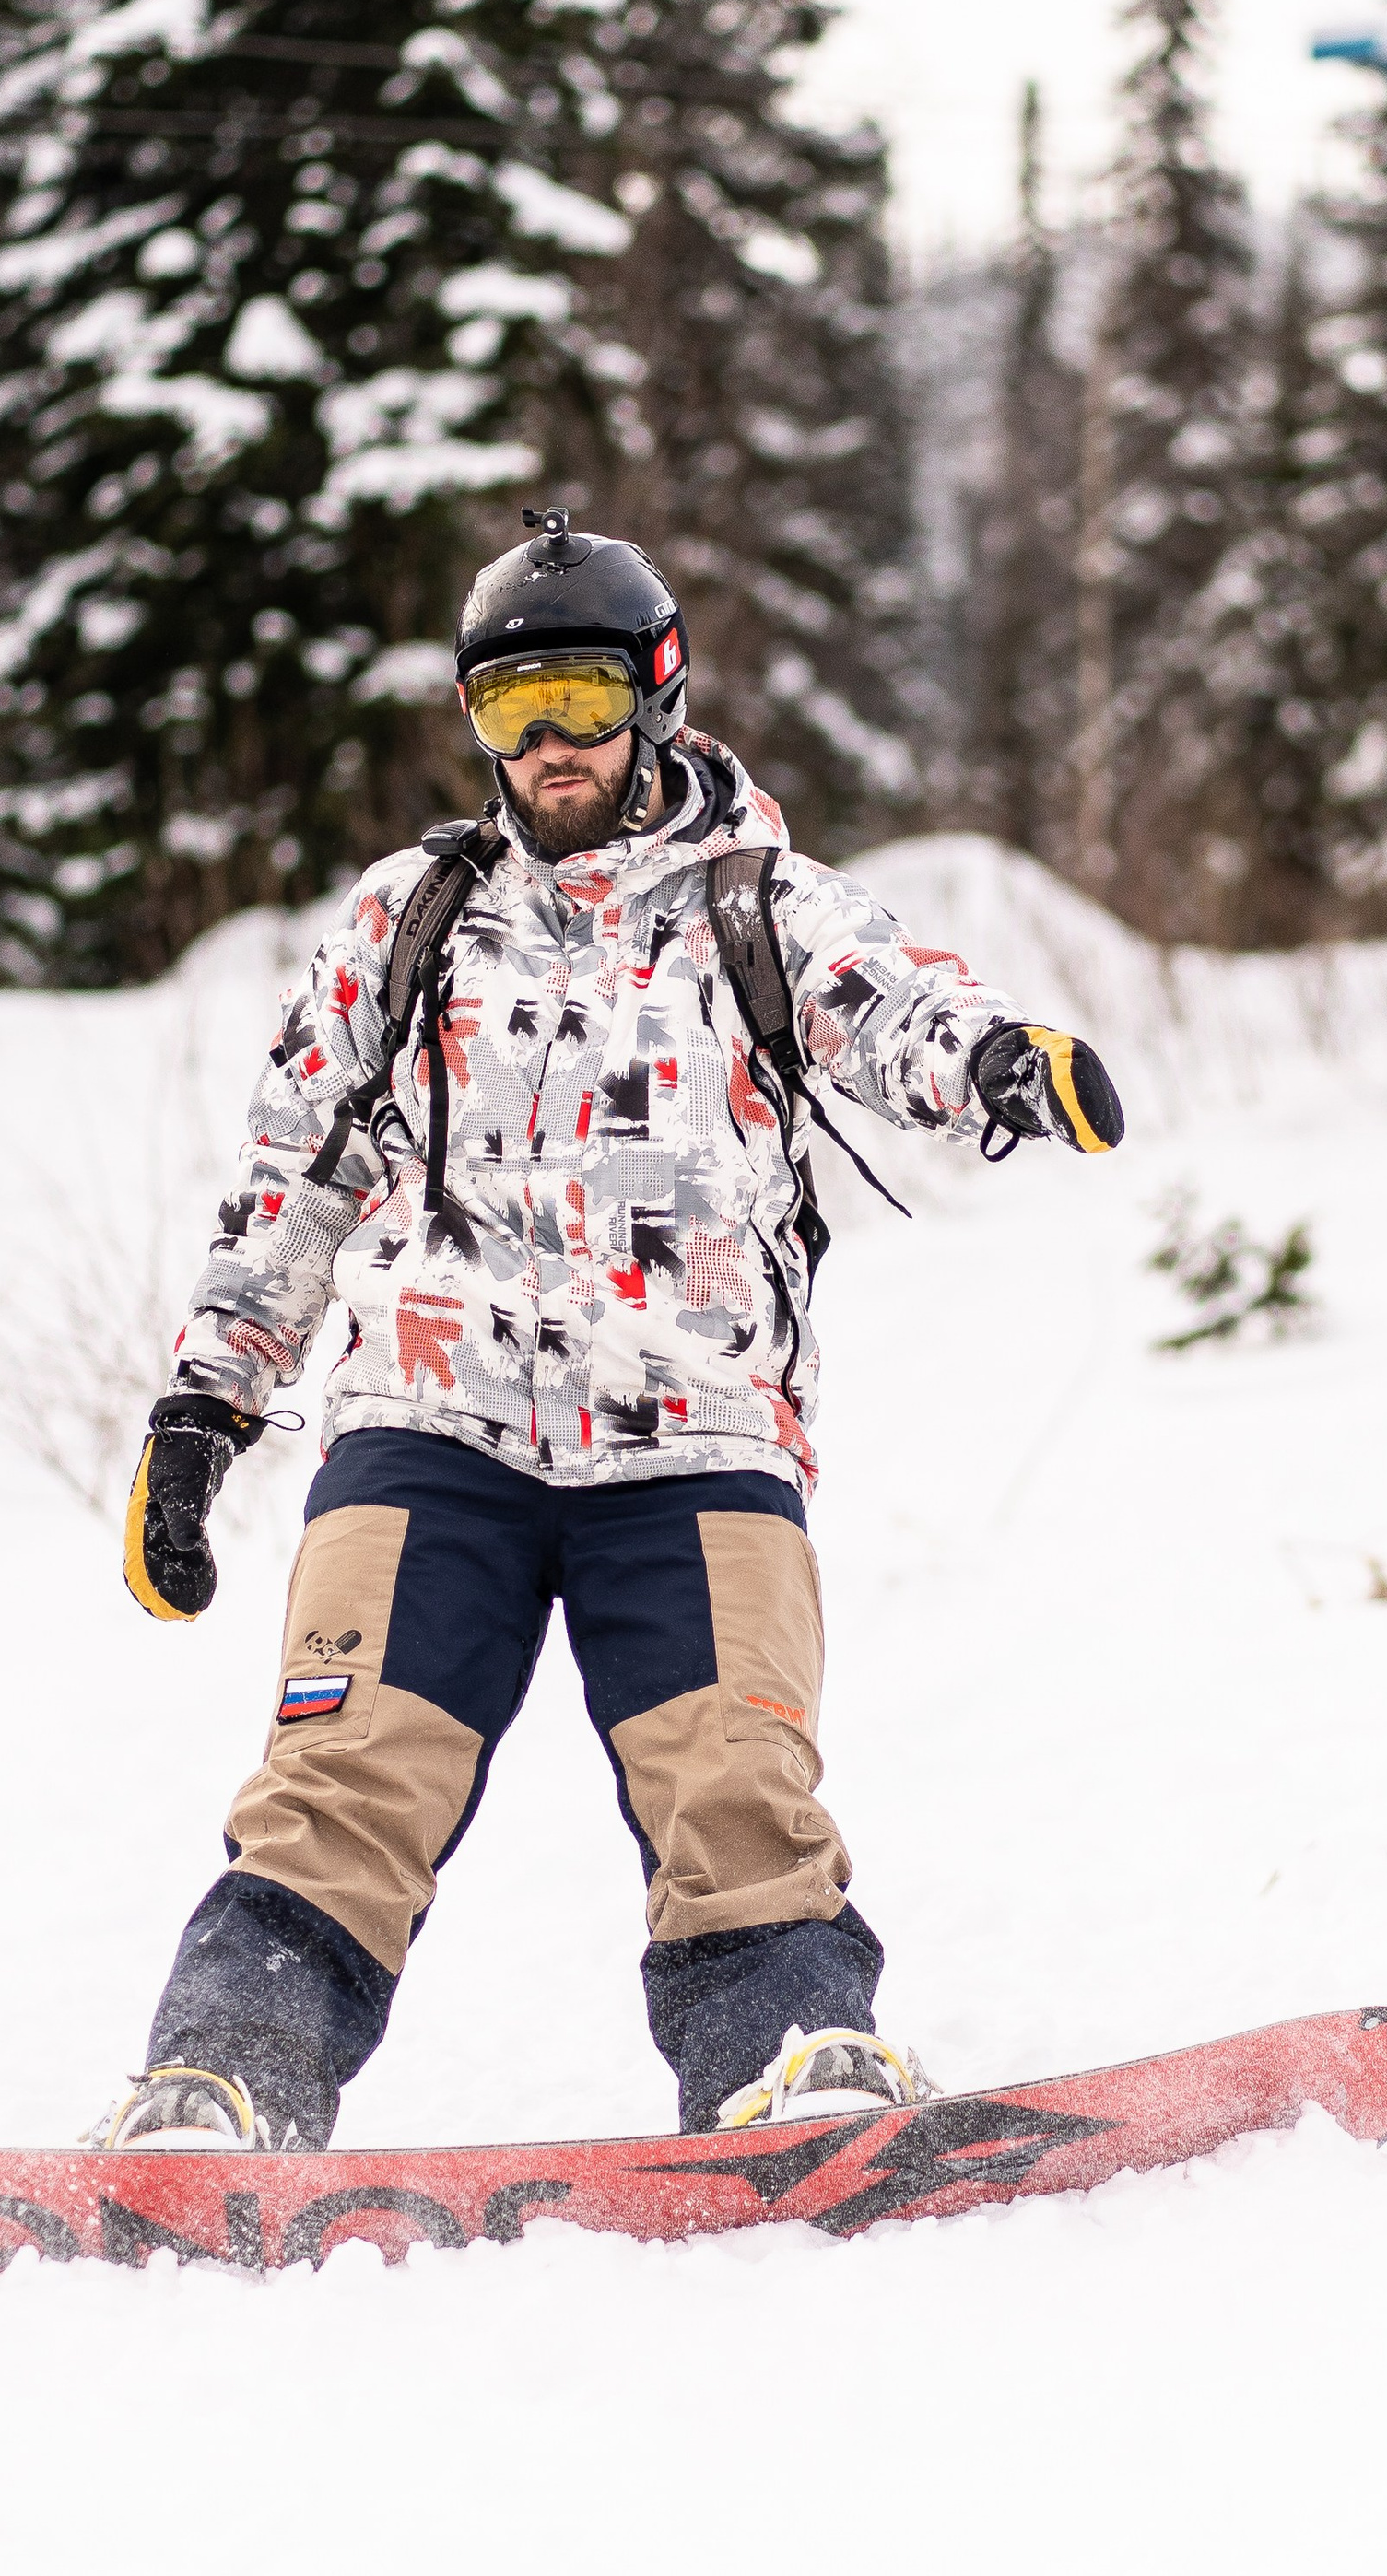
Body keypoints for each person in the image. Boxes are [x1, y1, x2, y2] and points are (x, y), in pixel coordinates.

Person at [94, 510, 1123, 2156]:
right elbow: (294, 1172)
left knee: (736, 1789)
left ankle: (788, 2061)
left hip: (696, 1436)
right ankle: (222, 2082)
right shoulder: (407, 919)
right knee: (341, 1776)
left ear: (656, 691)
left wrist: (997, 1061)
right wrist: (205, 1410)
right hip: (428, 1425)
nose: (550, 746)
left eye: (578, 699)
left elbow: (892, 1001)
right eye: (509, 710)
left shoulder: (759, 905)